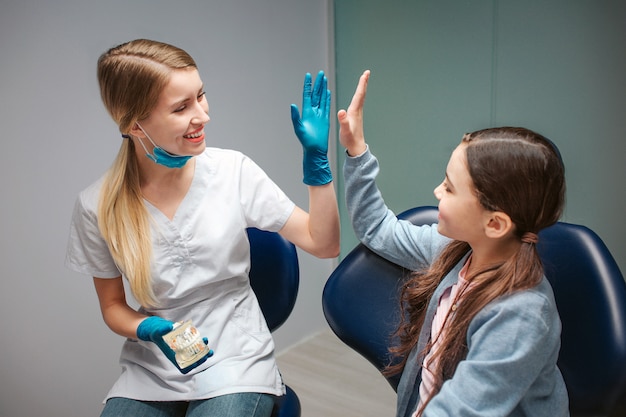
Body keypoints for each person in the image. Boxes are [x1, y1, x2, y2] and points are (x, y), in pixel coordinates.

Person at [65, 39, 339, 417]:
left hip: (237, 358)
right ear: (134, 124)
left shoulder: (232, 172)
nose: (203, 115)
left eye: (201, 96)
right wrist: (148, 329)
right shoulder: (97, 206)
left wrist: (317, 163)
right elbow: (113, 306)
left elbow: (323, 244)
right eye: (181, 107)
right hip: (154, 366)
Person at [337, 70, 569, 417]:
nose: (436, 193)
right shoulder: (457, 253)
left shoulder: (522, 317)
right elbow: (377, 229)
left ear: (495, 223)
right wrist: (356, 149)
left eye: (448, 188)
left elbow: (461, 410)